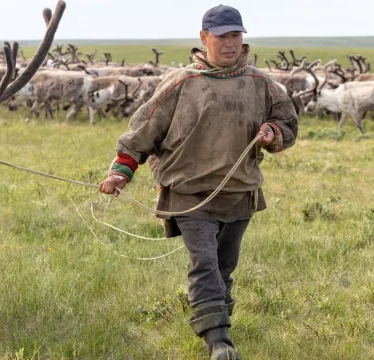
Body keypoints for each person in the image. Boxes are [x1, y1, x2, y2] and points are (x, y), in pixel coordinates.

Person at [99, 4, 298, 359]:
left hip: (240, 193)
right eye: (222, 36)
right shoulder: (181, 82)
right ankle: (219, 343)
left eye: (236, 35)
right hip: (189, 196)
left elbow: (288, 123)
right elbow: (143, 130)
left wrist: (273, 132)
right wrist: (120, 171)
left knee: (223, 266)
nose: (230, 43)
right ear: (204, 37)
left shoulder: (261, 83)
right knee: (204, 263)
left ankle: (217, 320)